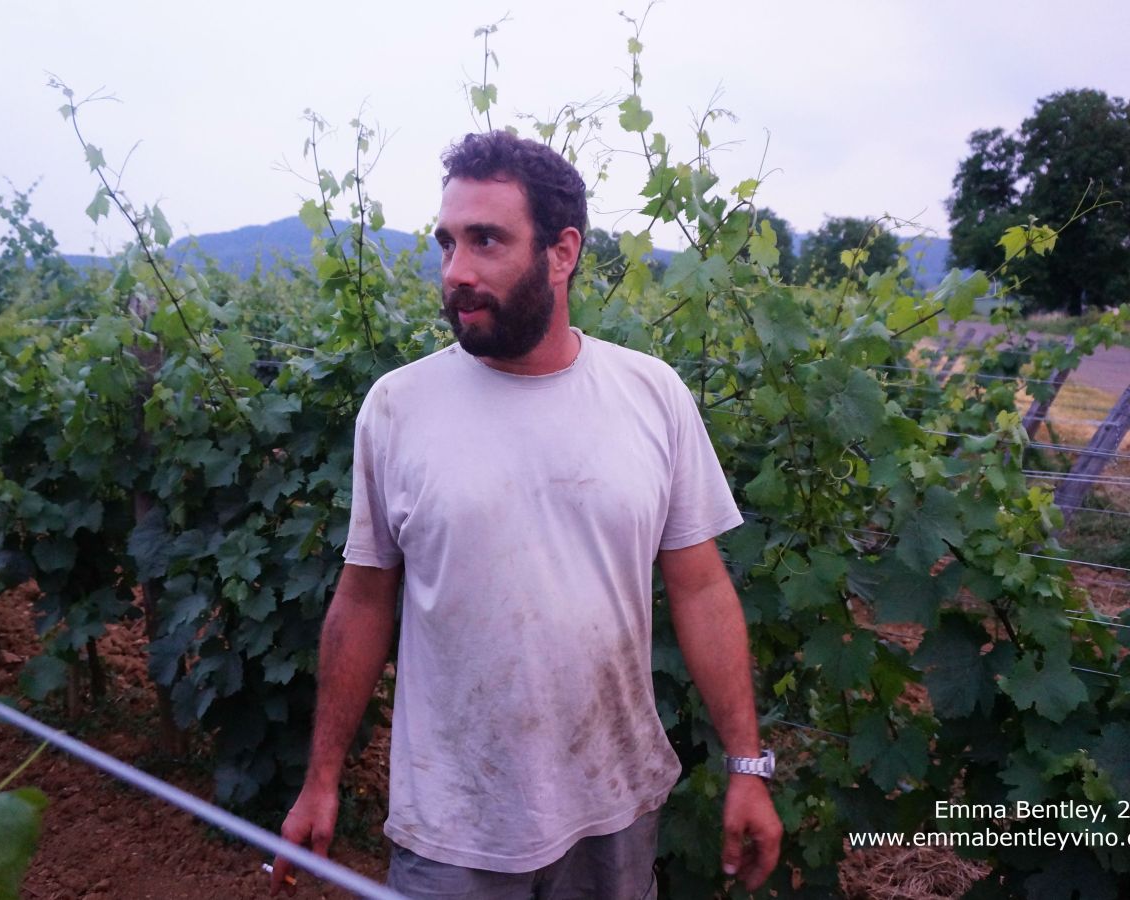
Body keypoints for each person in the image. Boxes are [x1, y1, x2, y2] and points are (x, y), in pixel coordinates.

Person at [271, 131, 781, 898]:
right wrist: (322, 780)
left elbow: (703, 589)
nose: (457, 272)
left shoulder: (652, 397)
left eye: (486, 241)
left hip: (614, 805)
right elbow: (365, 596)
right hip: (453, 823)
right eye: (447, 243)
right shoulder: (397, 408)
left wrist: (748, 765)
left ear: (562, 251)